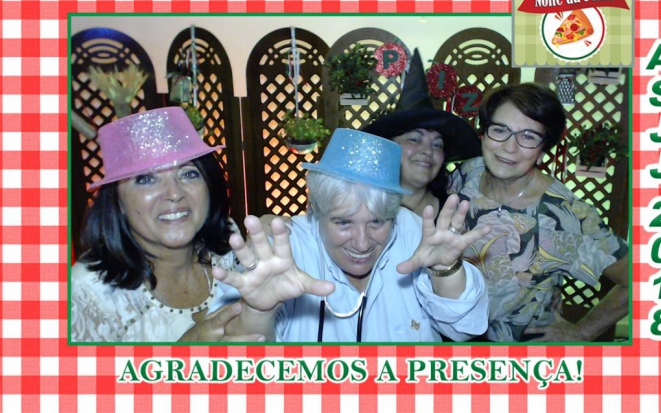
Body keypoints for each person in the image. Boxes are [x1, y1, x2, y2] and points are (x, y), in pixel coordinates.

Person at [213, 128, 491, 342]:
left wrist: (446, 270)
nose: (362, 243)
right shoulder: (284, 247)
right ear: (315, 210)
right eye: (343, 223)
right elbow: (234, 368)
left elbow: (464, 330)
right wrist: (258, 312)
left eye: (377, 222)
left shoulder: (413, 232)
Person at [447, 83, 629, 342]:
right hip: (449, 336)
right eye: (500, 130)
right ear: (484, 134)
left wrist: (583, 331)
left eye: (528, 136)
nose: (509, 147)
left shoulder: (563, 214)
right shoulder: (467, 174)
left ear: (543, 148)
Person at [71, 106, 263, 343]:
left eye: (188, 174)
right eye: (146, 179)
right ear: (117, 201)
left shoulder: (228, 243)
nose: (174, 194)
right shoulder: (86, 292)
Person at [363, 49, 480, 214]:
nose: (428, 151)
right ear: (390, 146)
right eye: (415, 139)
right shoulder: (362, 208)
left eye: (437, 144)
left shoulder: (454, 214)